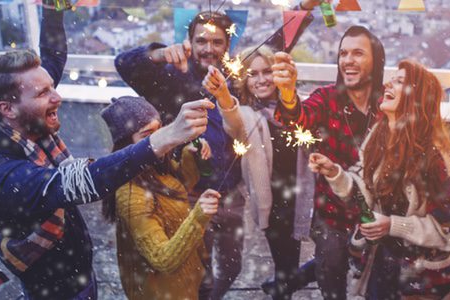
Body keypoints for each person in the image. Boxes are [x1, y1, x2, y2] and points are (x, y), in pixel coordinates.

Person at [0, 7, 213, 299]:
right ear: (7, 109)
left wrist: (52, 10)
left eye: (52, 86)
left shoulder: (21, 118)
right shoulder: (2, 171)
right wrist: (165, 137)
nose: (57, 96)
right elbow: (79, 182)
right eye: (42, 93)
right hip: (55, 288)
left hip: (78, 270)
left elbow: (52, 57)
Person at [114, 3, 318, 299]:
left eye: (217, 42)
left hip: (231, 195)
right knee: (198, 270)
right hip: (188, 194)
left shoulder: (236, 75)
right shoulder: (169, 76)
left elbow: (275, 43)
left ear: (228, 44)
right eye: (201, 41)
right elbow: (123, 63)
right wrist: (157, 53)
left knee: (232, 266)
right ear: (190, 42)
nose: (209, 48)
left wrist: (303, 7)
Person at [308, 60, 450, 299]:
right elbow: (365, 192)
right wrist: (335, 173)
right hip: (385, 259)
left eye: (399, 81)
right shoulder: (379, 135)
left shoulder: (437, 160)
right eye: (392, 79)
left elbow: (444, 233)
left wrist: (391, 225)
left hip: (422, 276)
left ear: (416, 99)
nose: (387, 84)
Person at [271, 25, 385, 299]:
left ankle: (296, 278)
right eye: (343, 53)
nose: (348, 60)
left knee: (377, 283)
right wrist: (287, 92)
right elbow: (297, 119)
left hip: (375, 215)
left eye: (358, 53)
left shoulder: (386, 104)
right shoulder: (327, 98)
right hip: (332, 215)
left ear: (377, 60)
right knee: (332, 280)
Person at [99, 96, 220, 300]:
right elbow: (161, 259)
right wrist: (198, 217)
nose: (158, 139)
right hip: (163, 292)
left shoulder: (157, 163)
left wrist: (191, 157)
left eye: (159, 130)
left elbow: (179, 190)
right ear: (126, 144)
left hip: (190, 280)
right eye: (147, 135)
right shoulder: (130, 193)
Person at [227, 44, 316, 300]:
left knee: (333, 255)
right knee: (284, 263)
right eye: (253, 74)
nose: (261, 79)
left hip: (305, 194)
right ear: (244, 79)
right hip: (273, 202)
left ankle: (286, 283)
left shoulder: (299, 106)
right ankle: (283, 285)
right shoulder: (246, 114)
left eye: (267, 71)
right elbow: (230, 118)